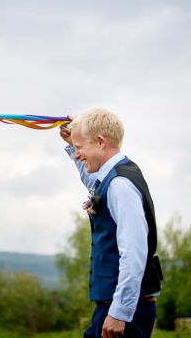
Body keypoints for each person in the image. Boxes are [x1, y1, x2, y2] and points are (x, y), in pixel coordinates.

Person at [59, 108, 162, 338]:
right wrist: (71, 143)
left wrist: (120, 312)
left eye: (80, 148)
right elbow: (95, 184)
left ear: (100, 142)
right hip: (114, 305)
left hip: (125, 310)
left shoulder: (120, 185)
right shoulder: (113, 176)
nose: (77, 155)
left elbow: (134, 253)